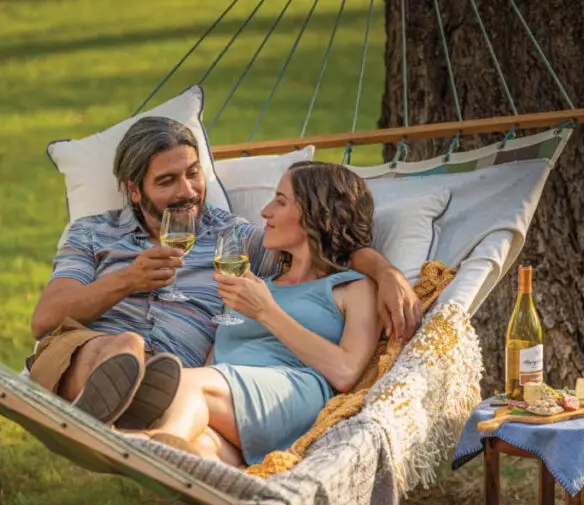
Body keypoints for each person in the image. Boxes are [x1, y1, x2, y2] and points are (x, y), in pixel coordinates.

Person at [28, 116, 421, 430]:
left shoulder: (234, 238)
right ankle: (112, 403)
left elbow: (328, 246)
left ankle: (122, 409)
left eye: (193, 173)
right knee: (123, 345)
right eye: (167, 181)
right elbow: (46, 318)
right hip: (82, 351)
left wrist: (386, 273)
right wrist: (126, 280)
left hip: (173, 378)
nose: (188, 191)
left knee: (151, 366)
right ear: (134, 190)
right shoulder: (93, 232)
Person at [143, 161, 382, 466]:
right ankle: (141, 452)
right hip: (225, 403)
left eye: (280, 201)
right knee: (198, 445)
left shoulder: (353, 288)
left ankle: (150, 456)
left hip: (292, 395)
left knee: (183, 384)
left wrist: (267, 311)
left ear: (318, 215)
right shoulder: (255, 284)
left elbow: (346, 372)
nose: (265, 211)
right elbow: (216, 358)